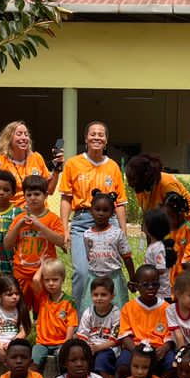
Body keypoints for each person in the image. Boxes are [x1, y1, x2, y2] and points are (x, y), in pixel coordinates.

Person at [60, 121, 129, 308]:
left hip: (109, 223)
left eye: (101, 134)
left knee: (109, 272)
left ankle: (112, 317)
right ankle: (80, 318)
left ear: (106, 140)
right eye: (93, 134)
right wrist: (64, 229)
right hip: (82, 222)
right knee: (82, 272)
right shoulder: (73, 164)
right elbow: (66, 198)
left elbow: (120, 203)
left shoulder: (113, 166)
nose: (96, 137)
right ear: (86, 138)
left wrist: (122, 230)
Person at [4, 174, 65, 301]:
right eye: (29, 195)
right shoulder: (19, 219)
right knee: (22, 308)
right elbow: (7, 245)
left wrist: (40, 226)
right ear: (24, 196)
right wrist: (18, 225)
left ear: (46, 195)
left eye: (37, 194)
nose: (33, 198)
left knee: (42, 308)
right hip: (21, 273)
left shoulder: (53, 218)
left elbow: (61, 241)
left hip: (44, 274)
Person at [78, 189, 135, 311]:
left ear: (112, 212)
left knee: (117, 309)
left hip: (114, 279)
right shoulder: (87, 235)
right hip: (94, 278)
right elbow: (89, 256)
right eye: (97, 209)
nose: (101, 213)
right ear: (91, 211)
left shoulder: (117, 233)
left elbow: (127, 257)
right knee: (92, 309)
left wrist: (133, 278)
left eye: (105, 210)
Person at [116, 265, 169, 378]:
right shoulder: (129, 307)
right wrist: (136, 352)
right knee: (122, 364)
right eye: (145, 285)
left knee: (171, 363)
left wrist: (165, 347)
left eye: (155, 284)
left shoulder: (167, 308)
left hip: (158, 348)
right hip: (135, 347)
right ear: (137, 286)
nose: (151, 288)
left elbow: (171, 334)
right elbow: (124, 335)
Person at [0, 120, 60, 207]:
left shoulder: (37, 158)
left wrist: (57, 169)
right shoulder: (1, 161)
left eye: (26, 135)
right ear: (9, 138)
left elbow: (49, 191)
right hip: (13, 211)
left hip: (38, 210)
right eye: (19, 134)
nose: (24, 138)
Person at [29, 259, 79, 370]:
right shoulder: (42, 298)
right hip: (42, 343)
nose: (51, 283)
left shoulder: (69, 301)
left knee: (63, 361)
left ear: (63, 279)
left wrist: (67, 343)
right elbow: (35, 280)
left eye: (55, 279)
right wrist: (42, 266)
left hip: (61, 342)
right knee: (33, 362)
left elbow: (71, 324)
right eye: (47, 280)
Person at [126, 153, 190, 221]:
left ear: (144, 178)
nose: (130, 184)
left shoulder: (167, 184)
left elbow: (176, 216)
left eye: (133, 180)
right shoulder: (141, 189)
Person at [78, 276, 122, 378]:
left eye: (103, 295)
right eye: (95, 295)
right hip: (90, 346)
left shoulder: (116, 313)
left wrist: (98, 348)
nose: (99, 298)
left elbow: (115, 340)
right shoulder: (88, 312)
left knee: (101, 360)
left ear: (112, 296)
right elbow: (82, 335)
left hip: (108, 348)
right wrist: (89, 347)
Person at [141, 208, 175, 301]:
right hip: (155, 292)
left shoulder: (157, 248)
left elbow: (161, 269)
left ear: (150, 227)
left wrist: (144, 274)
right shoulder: (154, 246)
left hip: (161, 294)